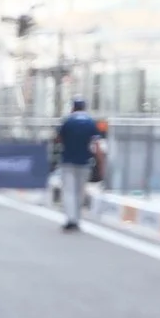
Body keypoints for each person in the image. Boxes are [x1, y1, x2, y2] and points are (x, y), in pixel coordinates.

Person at [52, 96, 104, 229]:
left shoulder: (67, 122)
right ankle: (77, 219)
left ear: (73, 107)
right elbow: (96, 145)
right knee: (80, 192)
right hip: (85, 162)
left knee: (69, 191)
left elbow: (58, 139)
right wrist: (101, 163)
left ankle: (71, 219)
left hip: (68, 161)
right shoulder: (91, 123)